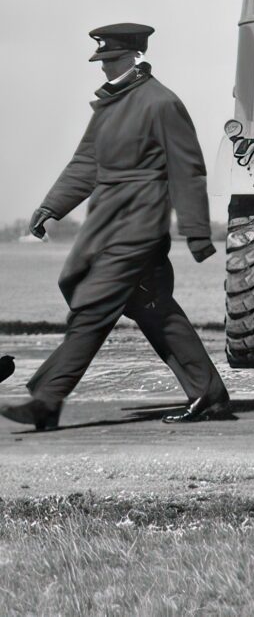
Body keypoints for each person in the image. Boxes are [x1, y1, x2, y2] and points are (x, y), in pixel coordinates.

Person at [4, 24, 230, 431]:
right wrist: (50, 207)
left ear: (135, 58)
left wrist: (196, 230)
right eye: (101, 61)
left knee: (93, 307)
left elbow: (188, 169)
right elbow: (85, 163)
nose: (103, 68)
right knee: (154, 308)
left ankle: (46, 399)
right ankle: (208, 394)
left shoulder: (162, 103)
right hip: (107, 224)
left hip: (139, 227)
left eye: (110, 60)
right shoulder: (109, 107)